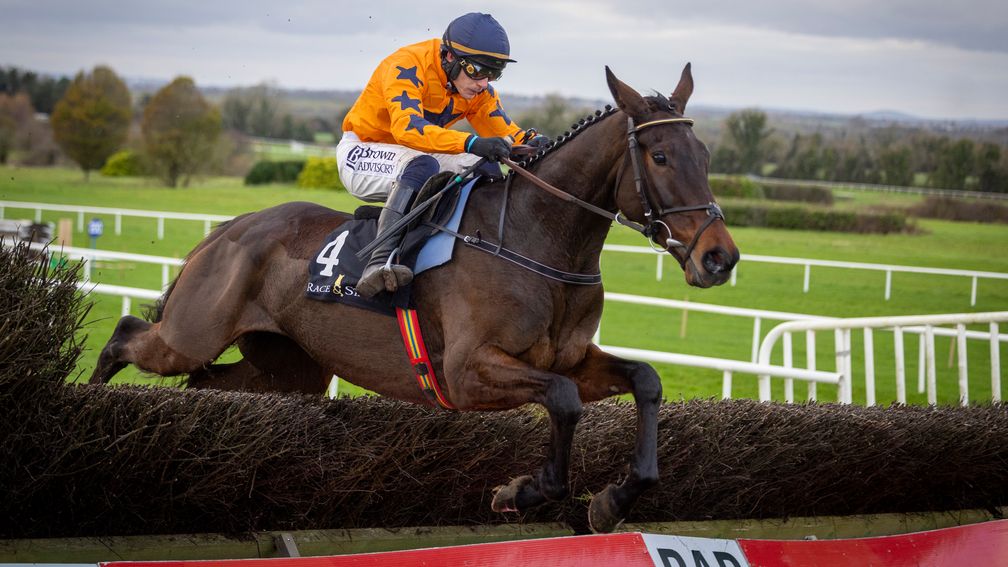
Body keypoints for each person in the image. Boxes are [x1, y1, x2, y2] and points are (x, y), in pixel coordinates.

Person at [337, 12, 549, 298]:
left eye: (494, 73)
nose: (484, 83)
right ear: (449, 56)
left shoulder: (477, 91)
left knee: (484, 166)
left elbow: (508, 132)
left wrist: (535, 143)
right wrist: (472, 142)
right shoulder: (406, 65)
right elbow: (407, 129)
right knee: (425, 162)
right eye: (477, 70)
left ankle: (476, 250)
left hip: (415, 156)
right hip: (362, 151)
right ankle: (378, 261)